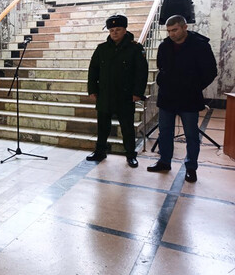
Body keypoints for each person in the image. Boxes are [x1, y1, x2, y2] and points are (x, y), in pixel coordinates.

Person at [147, 15, 217, 183]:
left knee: (191, 134)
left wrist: (194, 86)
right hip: (167, 96)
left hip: (189, 97)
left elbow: (210, 71)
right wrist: (163, 81)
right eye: (169, 31)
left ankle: (191, 167)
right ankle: (164, 161)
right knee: (165, 131)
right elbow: (161, 67)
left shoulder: (200, 45)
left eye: (175, 30)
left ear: (185, 27)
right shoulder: (165, 46)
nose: (172, 34)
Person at [87, 15, 148, 168]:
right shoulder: (102, 48)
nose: (114, 32)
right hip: (105, 94)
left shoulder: (135, 48)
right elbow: (93, 70)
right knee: (102, 127)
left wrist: (137, 93)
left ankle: (130, 155)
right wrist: (92, 89)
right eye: (111, 30)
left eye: (118, 29)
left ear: (125, 30)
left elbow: (141, 73)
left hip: (125, 95)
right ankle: (100, 151)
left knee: (127, 128)